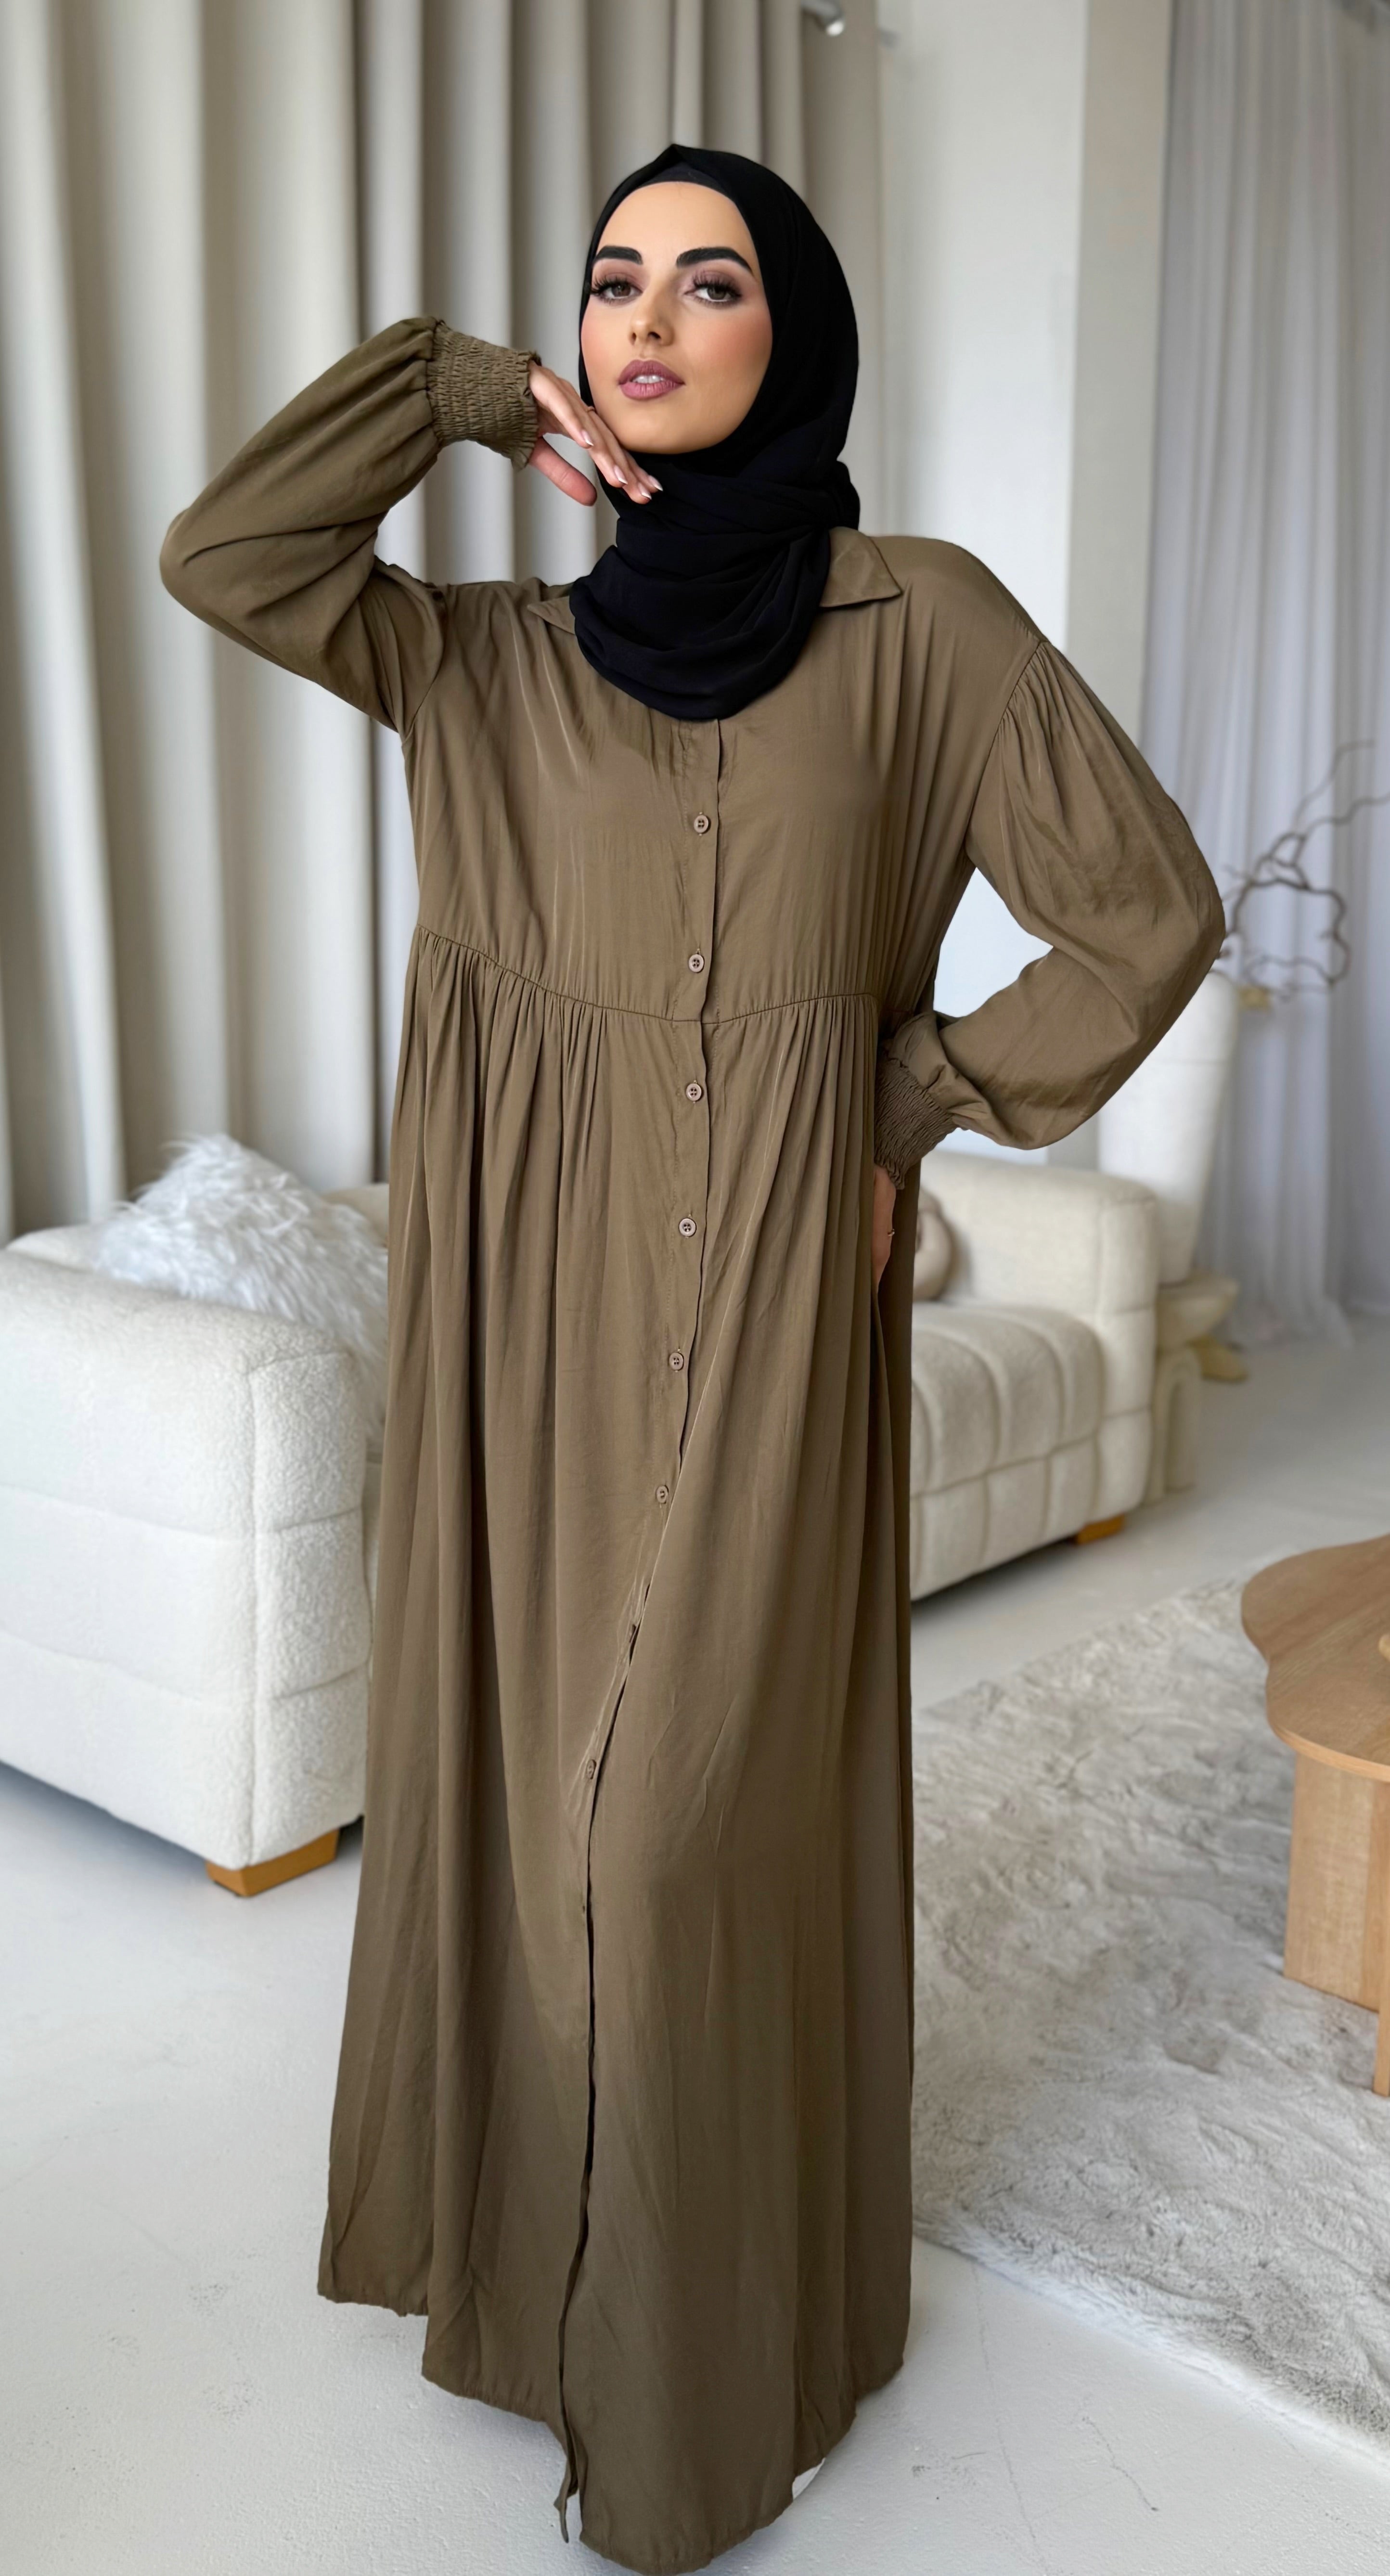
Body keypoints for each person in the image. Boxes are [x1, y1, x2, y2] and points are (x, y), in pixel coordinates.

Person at [160, 141, 1225, 2576]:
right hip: (516, 1311)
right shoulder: (485, 664)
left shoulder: (923, 624)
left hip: (769, 1300)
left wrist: (914, 1095)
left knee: (669, 1835)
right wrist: (451, 392)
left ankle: (692, 2381)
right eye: (610, 281)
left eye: (708, 279)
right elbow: (227, 557)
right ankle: (531, 2288)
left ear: (793, 336)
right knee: (530, 1825)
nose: (645, 319)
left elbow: (1139, 911)